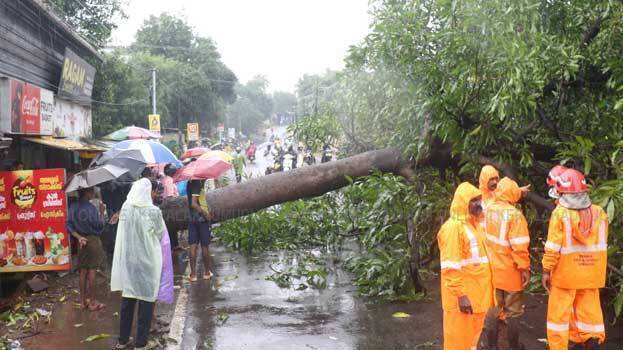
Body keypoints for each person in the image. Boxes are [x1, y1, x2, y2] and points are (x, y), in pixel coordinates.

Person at [542, 169, 608, 350]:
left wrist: (546, 271)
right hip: (591, 275)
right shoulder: (600, 213)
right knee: (589, 315)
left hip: (565, 276)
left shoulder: (561, 214)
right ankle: (591, 341)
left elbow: (553, 248)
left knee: (559, 318)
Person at [437, 182, 493, 350]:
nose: (478, 204)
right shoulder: (453, 228)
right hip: (463, 301)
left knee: (470, 343)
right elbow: (450, 267)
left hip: (476, 298)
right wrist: (461, 296)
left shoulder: (473, 226)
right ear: (463, 203)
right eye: (473, 200)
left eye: (478, 199)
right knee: (458, 344)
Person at [112, 178, 165, 350]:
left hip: (129, 261)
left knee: (128, 298)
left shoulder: (126, 209)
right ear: (148, 191)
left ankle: (123, 340)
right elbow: (159, 233)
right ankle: (141, 342)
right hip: (148, 261)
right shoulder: (153, 211)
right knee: (146, 300)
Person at [483, 177, 530, 349]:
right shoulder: (515, 216)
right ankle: (514, 346)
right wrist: (524, 268)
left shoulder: (487, 210)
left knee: (492, 309)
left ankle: (491, 346)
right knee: (514, 311)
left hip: (491, 270)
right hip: (511, 271)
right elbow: (520, 246)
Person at [66, 187, 106, 312]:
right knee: (92, 270)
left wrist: (79, 238)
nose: (92, 194)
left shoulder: (72, 207)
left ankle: (83, 302)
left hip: (80, 241)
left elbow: (68, 225)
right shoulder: (91, 208)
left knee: (82, 271)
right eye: (91, 192)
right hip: (93, 240)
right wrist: (101, 212)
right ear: (87, 193)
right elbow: (99, 226)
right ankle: (93, 302)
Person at [187, 179, 213, 281]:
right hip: (200, 219)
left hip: (192, 219)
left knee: (193, 246)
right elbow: (194, 203)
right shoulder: (197, 183)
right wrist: (205, 214)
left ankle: (193, 275)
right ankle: (206, 273)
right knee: (204, 246)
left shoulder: (190, 183)